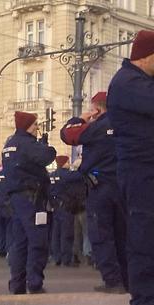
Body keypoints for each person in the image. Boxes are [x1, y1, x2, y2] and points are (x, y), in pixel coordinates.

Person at [61, 92, 128, 293]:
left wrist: (81, 119)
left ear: (97, 109)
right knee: (122, 236)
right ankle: (127, 280)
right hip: (123, 187)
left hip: (100, 188)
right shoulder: (126, 125)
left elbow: (67, 134)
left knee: (101, 235)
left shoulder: (96, 128)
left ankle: (112, 281)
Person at [107, 29, 154, 304]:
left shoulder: (137, 81)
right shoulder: (128, 83)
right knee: (144, 241)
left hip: (145, 172)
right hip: (141, 173)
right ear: (147, 57)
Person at [2, 111, 56, 294]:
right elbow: (47, 157)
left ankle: (17, 284)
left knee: (20, 243)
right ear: (27, 126)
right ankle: (34, 283)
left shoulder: (9, 144)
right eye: (35, 126)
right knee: (38, 240)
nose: (37, 129)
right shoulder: (27, 143)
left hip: (17, 200)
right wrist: (46, 146)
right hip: (33, 199)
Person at [48, 156, 84, 267]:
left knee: (56, 233)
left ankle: (56, 257)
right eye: (68, 162)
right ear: (63, 163)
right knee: (66, 234)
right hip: (66, 207)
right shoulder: (67, 175)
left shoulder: (52, 176)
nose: (69, 164)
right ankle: (66, 258)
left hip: (55, 207)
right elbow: (81, 175)